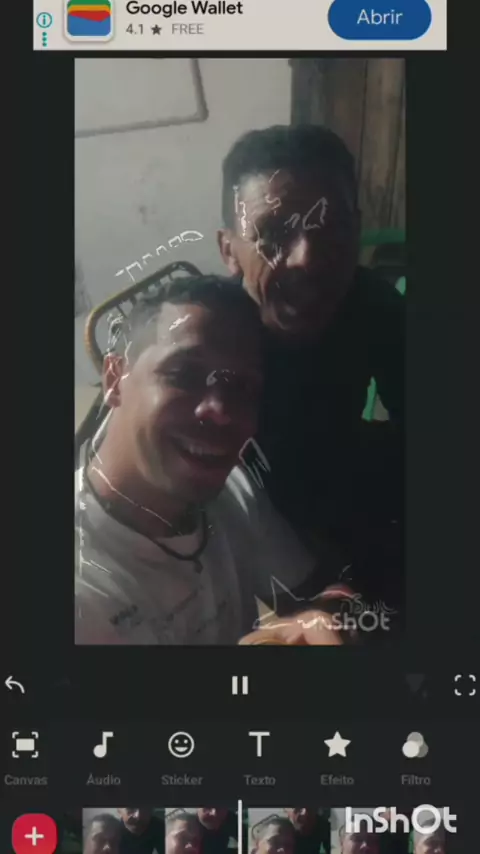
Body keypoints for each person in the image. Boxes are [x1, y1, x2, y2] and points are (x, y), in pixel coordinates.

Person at [75, 274, 351, 646]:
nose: (220, 411)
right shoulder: (83, 590)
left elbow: (316, 592)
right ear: (114, 379)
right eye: (184, 375)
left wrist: (324, 619)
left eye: (242, 388)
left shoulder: (232, 491)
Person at [218, 124, 405, 610]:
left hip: (347, 487)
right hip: (254, 531)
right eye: (274, 233)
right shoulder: (208, 343)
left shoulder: (371, 304)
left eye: (332, 229)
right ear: (228, 250)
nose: (308, 259)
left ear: (356, 230)